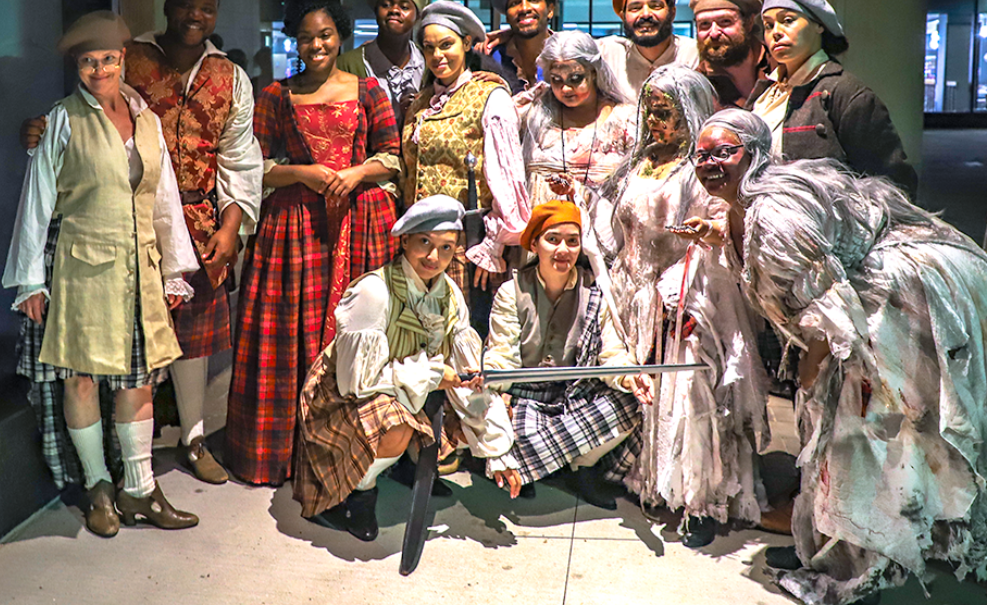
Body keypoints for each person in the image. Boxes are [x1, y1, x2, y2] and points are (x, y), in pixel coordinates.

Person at [21, 0, 264, 485]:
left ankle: (193, 438)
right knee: (125, 345)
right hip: (117, 223)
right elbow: (89, 117)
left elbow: (241, 159)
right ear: (167, 6)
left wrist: (232, 222)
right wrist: (43, 129)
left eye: (206, 9)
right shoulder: (130, 57)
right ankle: (124, 457)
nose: (194, 17)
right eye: (185, 6)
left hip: (196, 221)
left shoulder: (230, 75)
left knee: (193, 339)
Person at [739, 158, 987, 605]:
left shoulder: (772, 213)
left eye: (722, 152)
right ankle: (900, 538)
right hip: (934, 280)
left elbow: (822, 300)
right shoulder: (779, 191)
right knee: (904, 431)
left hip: (901, 296)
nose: (708, 164)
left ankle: (860, 559)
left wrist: (814, 379)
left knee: (867, 434)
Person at [3, 11, 201, 536]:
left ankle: (140, 491)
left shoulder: (147, 120)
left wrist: (175, 270)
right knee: (82, 377)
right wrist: (30, 280)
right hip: (80, 270)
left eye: (108, 59)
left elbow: (164, 201)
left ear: (123, 60)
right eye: (88, 62)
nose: (99, 70)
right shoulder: (62, 120)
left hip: (139, 271)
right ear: (77, 66)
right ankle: (99, 488)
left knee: (137, 380)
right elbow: (37, 199)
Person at [226, 0, 399, 487]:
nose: (316, 45)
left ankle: (357, 453)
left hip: (361, 222)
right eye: (306, 38)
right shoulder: (277, 96)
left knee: (358, 333)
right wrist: (302, 173)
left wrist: (356, 172)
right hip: (294, 228)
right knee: (289, 333)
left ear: (340, 37)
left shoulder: (369, 91)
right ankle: (287, 453)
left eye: (325, 35)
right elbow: (253, 167)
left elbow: (392, 157)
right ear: (294, 42)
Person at [293, 195, 518, 540]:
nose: (433, 257)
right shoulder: (375, 292)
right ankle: (353, 496)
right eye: (424, 242)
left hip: (405, 393)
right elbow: (356, 382)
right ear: (405, 240)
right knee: (395, 428)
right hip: (341, 398)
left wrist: (497, 451)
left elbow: (468, 376)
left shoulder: (450, 296)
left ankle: (403, 466)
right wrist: (431, 375)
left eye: (446, 248)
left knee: (466, 416)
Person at [596, 65, 744, 546]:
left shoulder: (699, 171)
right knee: (642, 395)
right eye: (652, 110)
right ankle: (650, 484)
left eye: (669, 111)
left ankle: (698, 501)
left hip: (684, 297)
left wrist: (685, 283)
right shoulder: (638, 163)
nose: (657, 120)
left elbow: (720, 228)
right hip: (633, 294)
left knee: (688, 401)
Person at [482, 199, 641, 506]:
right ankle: (537, 463)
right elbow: (502, 355)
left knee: (631, 404)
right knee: (514, 433)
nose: (563, 250)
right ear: (534, 244)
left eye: (572, 241)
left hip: (576, 394)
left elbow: (611, 355)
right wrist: (496, 390)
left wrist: (630, 377)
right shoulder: (511, 291)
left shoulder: (594, 291)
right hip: (527, 396)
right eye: (552, 240)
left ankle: (581, 469)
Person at [402, 0, 530, 332]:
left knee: (468, 338)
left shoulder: (490, 95)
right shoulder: (420, 101)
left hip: (467, 246)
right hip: (422, 246)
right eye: (428, 48)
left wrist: (494, 245)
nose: (437, 56)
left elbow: (508, 176)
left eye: (446, 45)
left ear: (467, 44)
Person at [748, 0, 917, 197]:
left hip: (825, 223)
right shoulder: (764, 94)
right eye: (769, 25)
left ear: (819, 24)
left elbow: (893, 181)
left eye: (788, 20)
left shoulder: (845, 93)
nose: (776, 33)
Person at [516, 30, 636, 208]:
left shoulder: (626, 119)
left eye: (575, 79)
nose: (565, 89)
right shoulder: (535, 111)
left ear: (594, 72)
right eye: (557, 80)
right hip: (543, 227)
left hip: (602, 228)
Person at [336, 0, 429, 126]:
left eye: (404, 6)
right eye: (386, 4)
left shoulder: (429, 62)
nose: (394, 10)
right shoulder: (346, 65)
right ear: (376, 12)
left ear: (417, 16)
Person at [599, 0, 699, 96]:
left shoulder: (694, 55)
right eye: (635, 8)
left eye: (655, 6)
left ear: (672, 12)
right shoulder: (608, 55)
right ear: (623, 17)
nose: (646, 14)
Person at [690, 0, 768, 108]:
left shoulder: (781, 67)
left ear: (748, 23)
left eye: (725, 21)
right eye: (704, 24)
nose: (714, 33)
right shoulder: (697, 86)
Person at [489, 0, 558, 89]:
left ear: (550, 10)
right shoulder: (491, 59)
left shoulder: (569, 53)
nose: (524, 8)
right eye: (515, 3)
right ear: (507, 16)